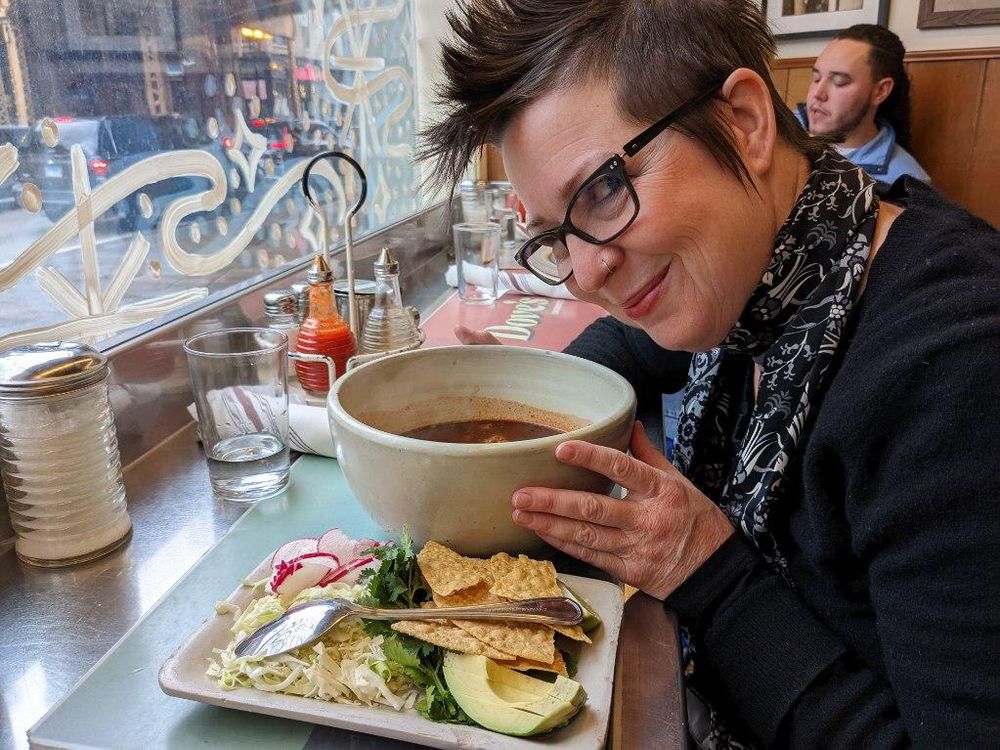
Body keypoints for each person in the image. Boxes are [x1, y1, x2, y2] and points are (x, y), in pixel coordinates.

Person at [426, 1, 1000, 747]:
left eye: (602, 189)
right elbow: (628, 346)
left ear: (744, 121)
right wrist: (536, 413)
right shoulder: (759, 273)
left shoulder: (957, 370)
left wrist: (706, 571)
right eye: (555, 237)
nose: (589, 270)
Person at [798, 24, 929, 190]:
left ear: (880, 91)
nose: (818, 94)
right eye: (816, 78)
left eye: (840, 82)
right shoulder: (778, 130)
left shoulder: (905, 183)